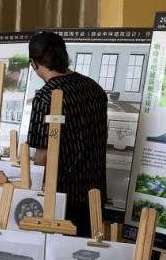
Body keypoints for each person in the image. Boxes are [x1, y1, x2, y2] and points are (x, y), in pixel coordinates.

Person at [25, 31, 107, 239]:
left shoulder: (46, 96)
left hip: (62, 200)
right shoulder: (94, 88)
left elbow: (42, 157)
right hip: (95, 196)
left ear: (34, 64)